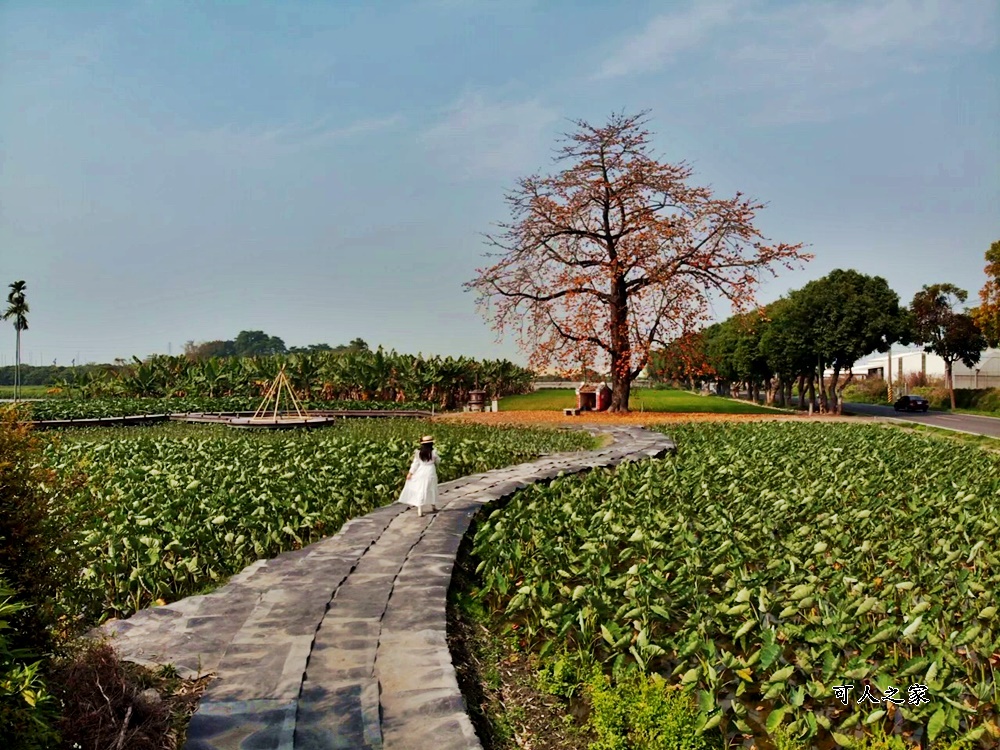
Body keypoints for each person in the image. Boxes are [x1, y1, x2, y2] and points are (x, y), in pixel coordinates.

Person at [397, 435, 440, 516]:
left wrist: (410, 473)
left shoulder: (418, 453)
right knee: (431, 487)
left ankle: (420, 508)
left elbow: (415, 464)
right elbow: (438, 461)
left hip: (421, 471)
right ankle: (433, 506)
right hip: (430, 471)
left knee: (421, 488)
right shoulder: (434, 452)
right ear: (431, 444)